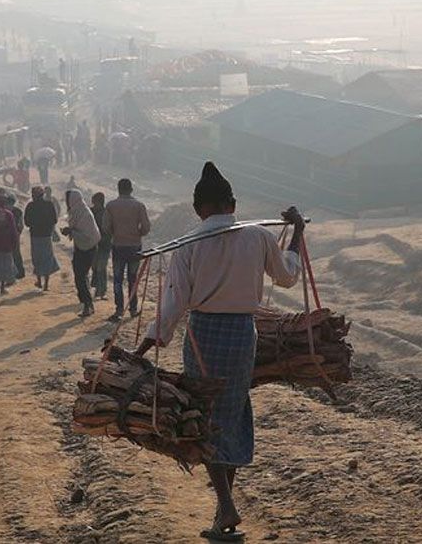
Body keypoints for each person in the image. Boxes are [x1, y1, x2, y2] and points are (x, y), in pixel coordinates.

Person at [135, 162, 303, 542]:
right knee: (230, 409)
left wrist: (145, 345)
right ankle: (222, 509)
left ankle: (225, 504)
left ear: (198, 210)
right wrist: (298, 233)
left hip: (205, 335)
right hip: (243, 335)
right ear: (232, 203)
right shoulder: (258, 237)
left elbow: (173, 304)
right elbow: (288, 274)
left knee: (206, 416)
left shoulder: (190, 243)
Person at [103, 178, 151, 322]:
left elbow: (105, 227)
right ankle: (133, 308)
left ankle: (118, 310)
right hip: (134, 246)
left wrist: (116, 233)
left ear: (118, 189)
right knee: (133, 279)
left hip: (118, 246)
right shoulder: (139, 205)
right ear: (131, 189)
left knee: (118, 279)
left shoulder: (111, 206)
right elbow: (146, 227)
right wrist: (137, 234)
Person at [61, 189, 100, 317]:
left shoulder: (85, 214)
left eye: (68, 200)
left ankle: (87, 304)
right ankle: (87, 304)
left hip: (88, 248)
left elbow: (87, 235)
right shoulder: (77, 212)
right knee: (80, 276)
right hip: (80, 247)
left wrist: (71, 232)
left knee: (80, 277)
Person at [23, 186, 60, 291]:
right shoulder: (49, 205)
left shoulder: (30, 206)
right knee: (47, 257)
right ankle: (46, 285)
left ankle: (39, 281)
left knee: (37, 258)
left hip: (35, 236)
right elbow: (55, 220)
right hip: (47, 235)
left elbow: (26, 222)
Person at [90, 192, 111, 301]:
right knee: (94, 267)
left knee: (101, 268)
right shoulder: (91, 212)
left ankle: (102, 291)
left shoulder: (106, 213)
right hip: (94, 244)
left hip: (104, 244)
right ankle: (98, 288)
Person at [7, 194, 27, 281]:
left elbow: (21, 225)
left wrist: (18, 233)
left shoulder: (17, 212)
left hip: (14, 235)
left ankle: (19, 272)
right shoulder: (9, 211)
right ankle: (15, 272)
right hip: (10, 235)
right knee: (12, 254)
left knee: (15, 254)